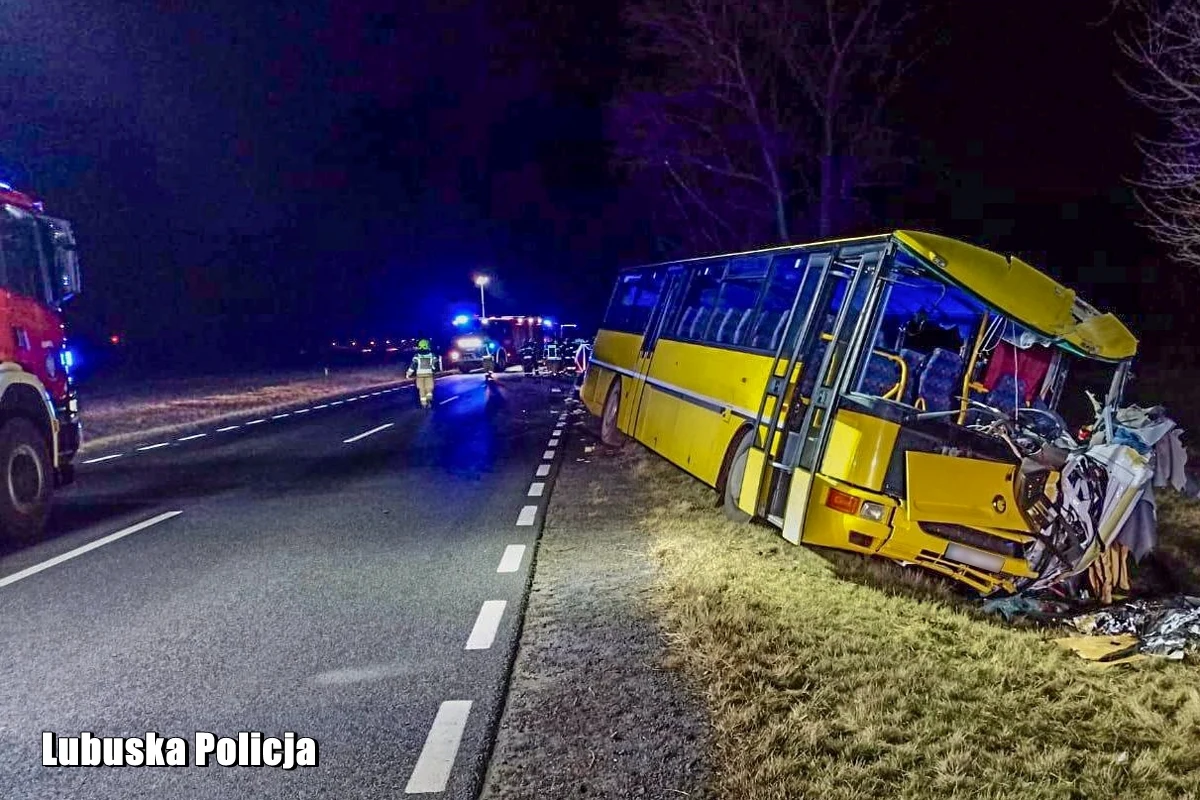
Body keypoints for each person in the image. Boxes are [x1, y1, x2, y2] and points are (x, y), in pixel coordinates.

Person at [406, 339, 438, 409]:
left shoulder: (417, 356)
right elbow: (435, 364)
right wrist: (434, 369)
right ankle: (429, 398)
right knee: (429, 388)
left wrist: (408, 374)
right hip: (429, 374)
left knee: (421, 389)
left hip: (419, 376)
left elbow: (413, 366)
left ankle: (423, 403)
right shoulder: (432, 355)